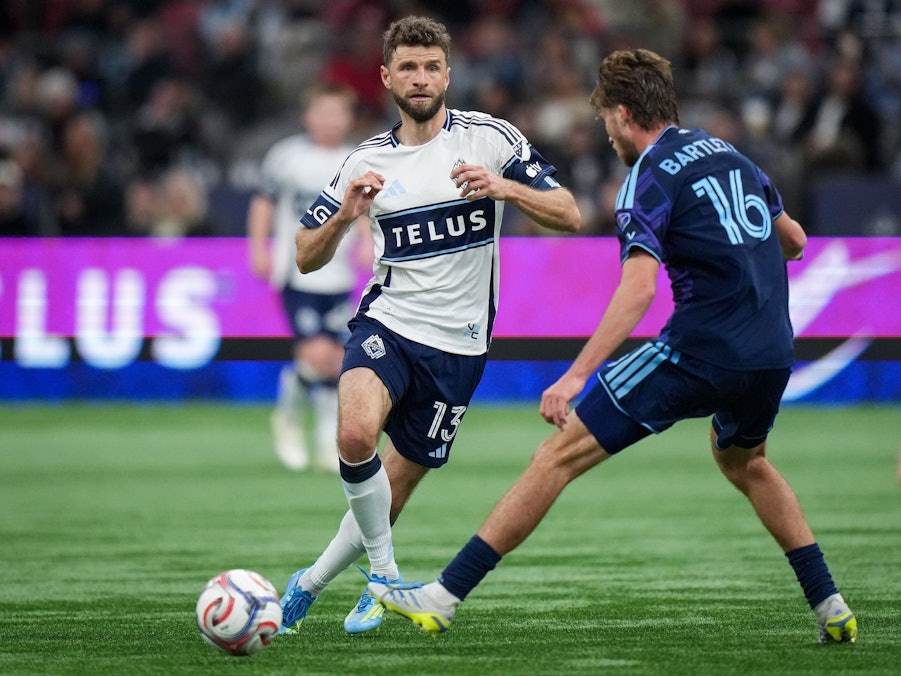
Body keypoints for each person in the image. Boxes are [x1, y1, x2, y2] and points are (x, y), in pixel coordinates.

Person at [370, 48, 858, 645]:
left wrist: (575, 376)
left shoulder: (647, 179)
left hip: (698, 351)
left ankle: (443, 596)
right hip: (772, 353)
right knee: (746, 461)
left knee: (556, 456)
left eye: (605, 123)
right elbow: (796, 241)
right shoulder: (730, 154)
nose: (606, 136)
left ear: (624, 115)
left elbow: (637, 291)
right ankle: (829, 603)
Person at [278, 15, 580, 636]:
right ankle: (384, 577)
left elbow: (569, 212)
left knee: (393, 484)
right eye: (408, 67)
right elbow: (306, 255)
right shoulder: (367, 160)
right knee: (357, 436)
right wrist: (345, 216)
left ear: (449, 73)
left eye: (432, 66)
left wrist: (503, 189)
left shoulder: (490, 140)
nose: (421, 78)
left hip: (461, 347)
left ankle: (309, 582)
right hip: (386, 322)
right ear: (387, 77)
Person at [247, 84, 369, 473]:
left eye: (338, 114)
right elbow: (264, 202)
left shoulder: (357, 158)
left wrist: (367, 241)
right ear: (308, 116)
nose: (331, 121)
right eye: (323, 112)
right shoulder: (287, 157)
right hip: (297, 270)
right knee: (318, 354)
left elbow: (365, 207)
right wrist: (258, 247)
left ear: (348, 118)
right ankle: (288, 417)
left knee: (335, 361)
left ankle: (322, 443)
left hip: (339, 273)